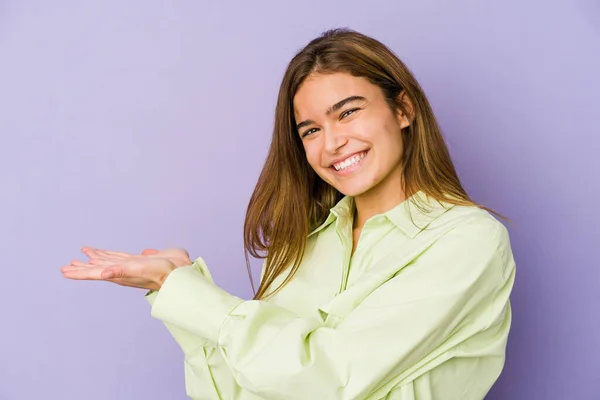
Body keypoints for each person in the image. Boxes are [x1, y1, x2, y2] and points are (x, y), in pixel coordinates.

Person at [61, 28, 516, 400]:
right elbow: (242, 392)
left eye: (349, 113)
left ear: (402, 109)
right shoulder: (303, 244)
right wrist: (180, 289)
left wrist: (191, 296)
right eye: (312, 129)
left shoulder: (466, 240)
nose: (332, 143)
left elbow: (329, 379)